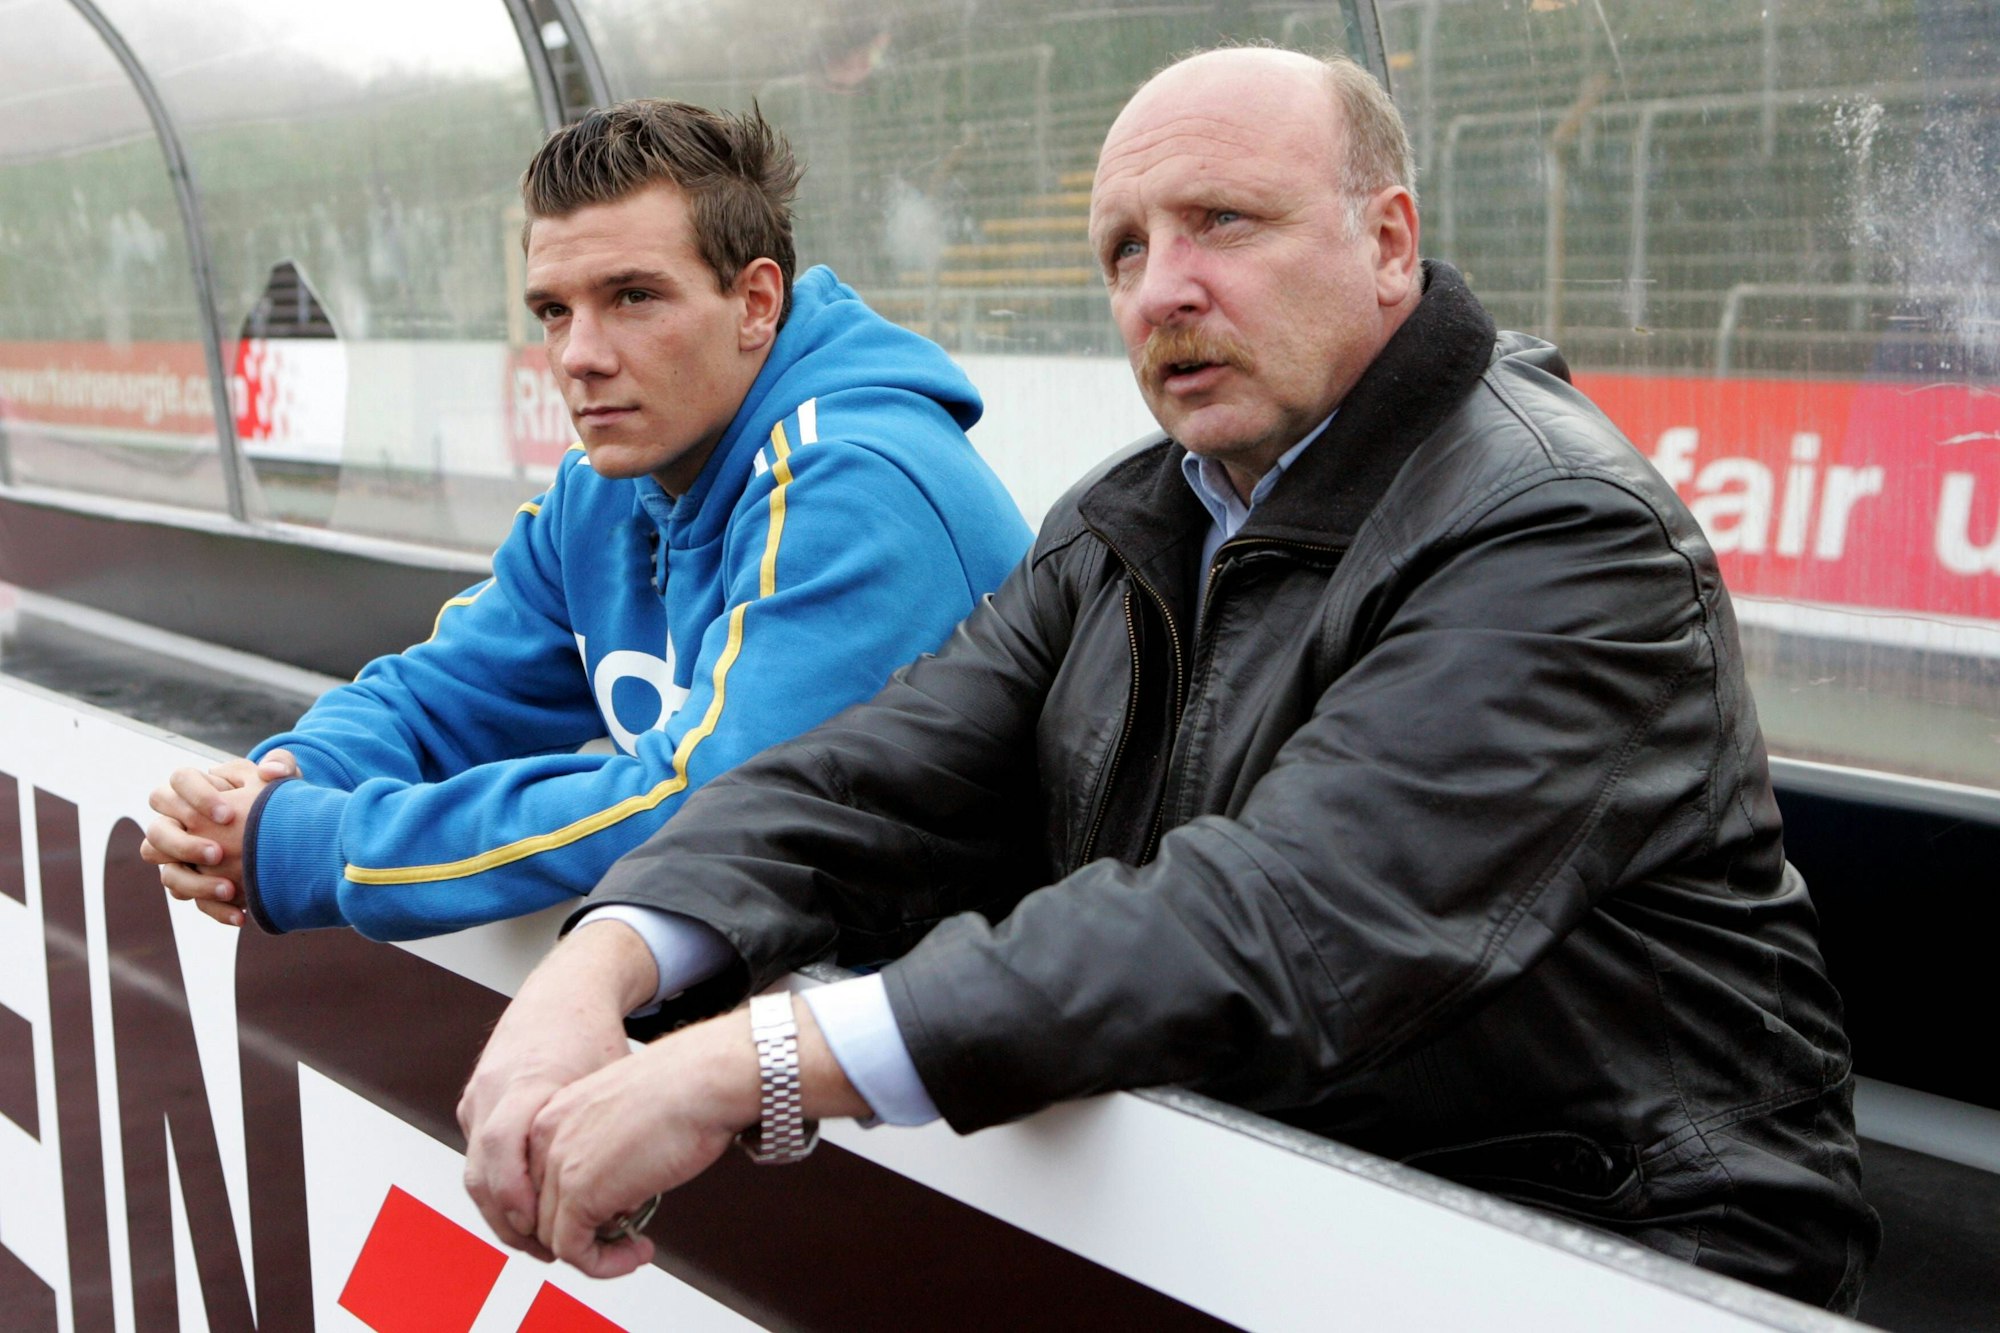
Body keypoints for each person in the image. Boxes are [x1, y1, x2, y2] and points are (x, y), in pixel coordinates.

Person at [458, 49, 1878, 1309]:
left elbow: (1278, 920)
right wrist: (601, 962)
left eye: (1224, 224)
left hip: (1612, 1239)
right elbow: (875, 772)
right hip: (1297, 1193)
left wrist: (746, 1063)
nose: (1165, 288)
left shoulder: (1559, 528)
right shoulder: (1135, 515)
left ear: (1388, 242)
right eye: (1124, 251)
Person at [138, 99, 1030, 940]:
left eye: (634, 297)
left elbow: (709, 807)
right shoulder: (608, 481)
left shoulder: (857, 481)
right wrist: (280, 783)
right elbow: (439, 701)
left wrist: (319, 845)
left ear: (756, 303)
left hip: (997, 1078)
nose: (580, 357)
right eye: (554, 311)